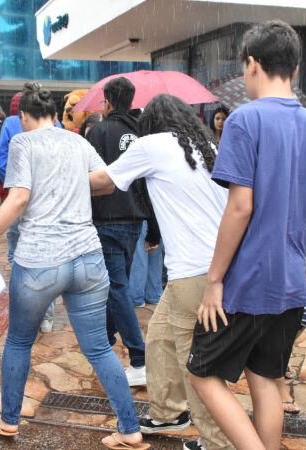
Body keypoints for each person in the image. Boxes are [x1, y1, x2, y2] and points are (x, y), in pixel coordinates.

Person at [188, 20, 306, 450]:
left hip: (246, 282)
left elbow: (240, 207)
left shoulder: (244, 121)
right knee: (266, 379)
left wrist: (214, 281)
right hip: (290, 283)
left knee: (201, 373)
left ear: (251, 64)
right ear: (296, 69)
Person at [0, 82, 148, 450]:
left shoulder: (23, 143)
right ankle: (130, 429)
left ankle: (9, 420)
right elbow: (105, 182)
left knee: (19, 340)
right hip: (88, 258)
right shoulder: (78, 141)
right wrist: (68, 180)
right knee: (98, 348)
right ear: (53, 114)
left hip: (40, 261)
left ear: (24, 116)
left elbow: (17, 199)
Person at [89, 94, 231, 450]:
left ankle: (217, 442)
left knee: (196, 367)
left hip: (193, 273)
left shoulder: (152, 145)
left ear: (149, 124)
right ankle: (169, 411)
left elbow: (104, 182)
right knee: (160, 337)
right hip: (217, 268)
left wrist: (56, 175)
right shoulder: (206, 146)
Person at [86, 76, 155, 387]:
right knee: (119, 285)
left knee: (116, 288)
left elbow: (88, 177)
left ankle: (138, 358)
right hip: (135, 220)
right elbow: (150, 183)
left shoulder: (98, 131)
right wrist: (154, 228)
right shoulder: (143, 134)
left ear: (107, 102)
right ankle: (106, 336)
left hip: (107, 219)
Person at [0, 89, 63, 334]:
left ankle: (25, 313)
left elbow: (2, 160)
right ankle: (45, 315)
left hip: (18, 200)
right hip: (49, 203)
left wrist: (16, 185)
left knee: (17, 257)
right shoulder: (57, 125)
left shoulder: (12, 125)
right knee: (49, 257)